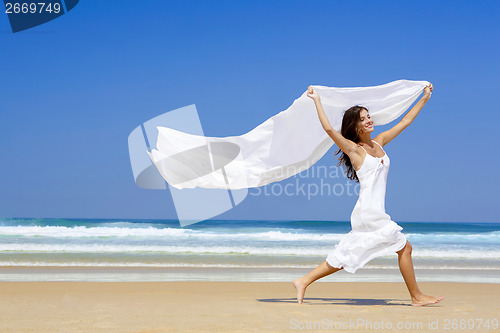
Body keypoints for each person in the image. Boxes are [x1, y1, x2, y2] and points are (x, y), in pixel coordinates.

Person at [292, 83, 444, 307]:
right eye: (363, 118)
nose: (368, 120)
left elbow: (405, 121)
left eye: (368, 116)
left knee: (348, 254)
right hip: (369, 212)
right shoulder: (355, 150)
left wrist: (424, 99)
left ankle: (303, 281)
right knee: (404, 247)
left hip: (372, 211)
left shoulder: (379, 142)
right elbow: (329, 130)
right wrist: (317, 101)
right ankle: (416, 297)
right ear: (355, 127)